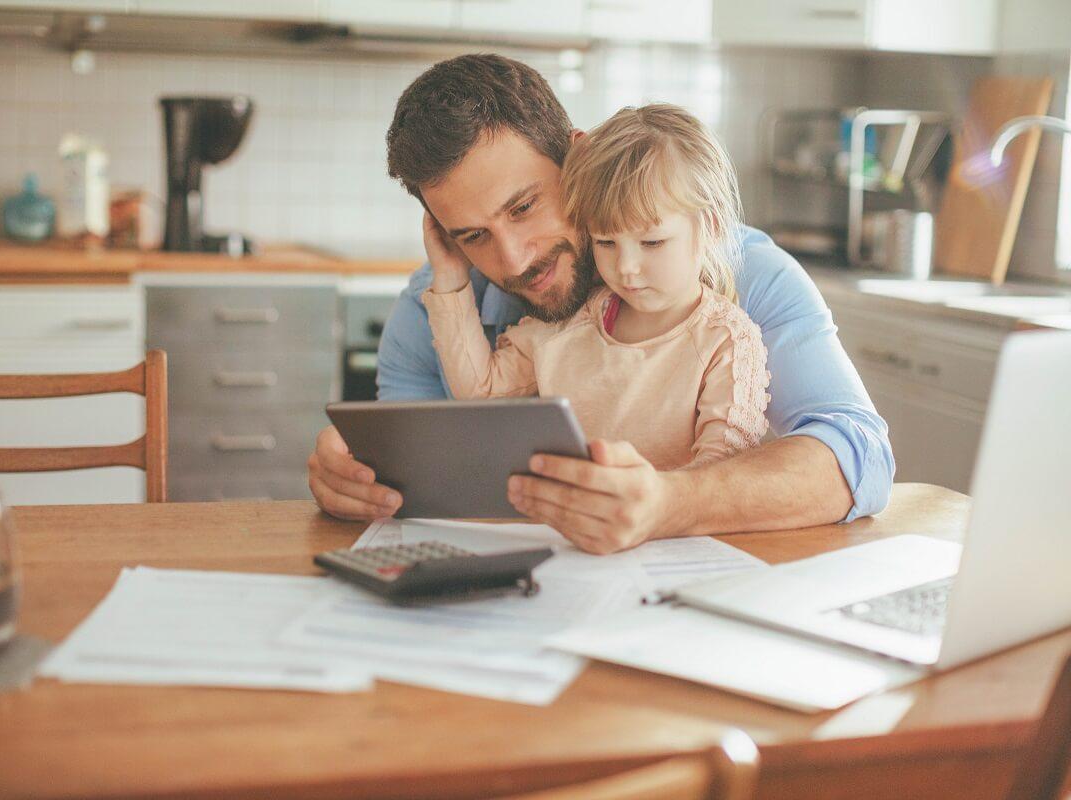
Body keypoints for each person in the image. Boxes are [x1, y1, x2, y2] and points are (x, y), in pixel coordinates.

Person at [307, 54, 894, 552]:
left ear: (579, 158)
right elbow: (414, 487)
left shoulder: (742, 274)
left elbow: (859, 457)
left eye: (523, 207)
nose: (513, 261)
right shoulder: (429, 309)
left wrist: (671, 503)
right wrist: (354, 478)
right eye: (473, 235)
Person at [421, 103, 771, 541]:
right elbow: (480, 391)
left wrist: (648, 512)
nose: (626, 268)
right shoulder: (569, 325)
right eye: (606, 242)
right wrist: (452, 277)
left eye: (652, 241)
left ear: (712, 226)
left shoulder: (726, 340)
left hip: (674, 548)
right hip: (568, 545)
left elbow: (717, 473)